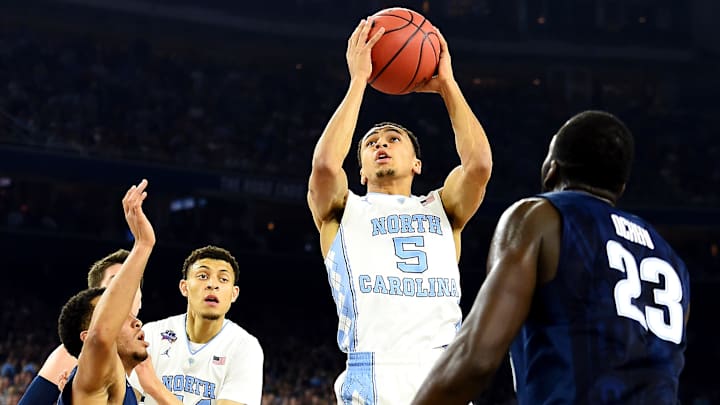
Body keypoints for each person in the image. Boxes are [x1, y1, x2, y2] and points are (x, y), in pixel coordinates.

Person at [411, 110, 691, 405]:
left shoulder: (540, 216)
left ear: (551, 170)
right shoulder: (672, 260)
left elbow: (476, 358)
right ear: (620, 186)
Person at [307, 18, 492, 404]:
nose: (381, 145)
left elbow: (479, 166)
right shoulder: (344, 209)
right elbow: (325, 167)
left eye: (394, 139)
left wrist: (447, 86)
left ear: (417, 164)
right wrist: (358, 80)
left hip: (443, 368)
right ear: (359, 169)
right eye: (371, 143)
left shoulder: (443, 207)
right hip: (375, 370)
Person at [56, 179, 155, 404]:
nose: (136, 322)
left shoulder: (121, 387)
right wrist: (143, 245)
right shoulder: (90, 378)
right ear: (86, 336)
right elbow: (100, 337)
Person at [128, 245, 263, 405]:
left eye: (223, 279)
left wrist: (155, 388)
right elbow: (125, 400)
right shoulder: (152, 334)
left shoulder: (245, 347)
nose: (213, 284)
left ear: (234, 294)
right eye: (203, 276)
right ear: (184, 287)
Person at [18, 249, 140, 405]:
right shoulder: (71, 355)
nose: (125, 291)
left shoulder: (153, 351)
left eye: (132, 283)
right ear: (94, 296)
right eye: (115, 283)